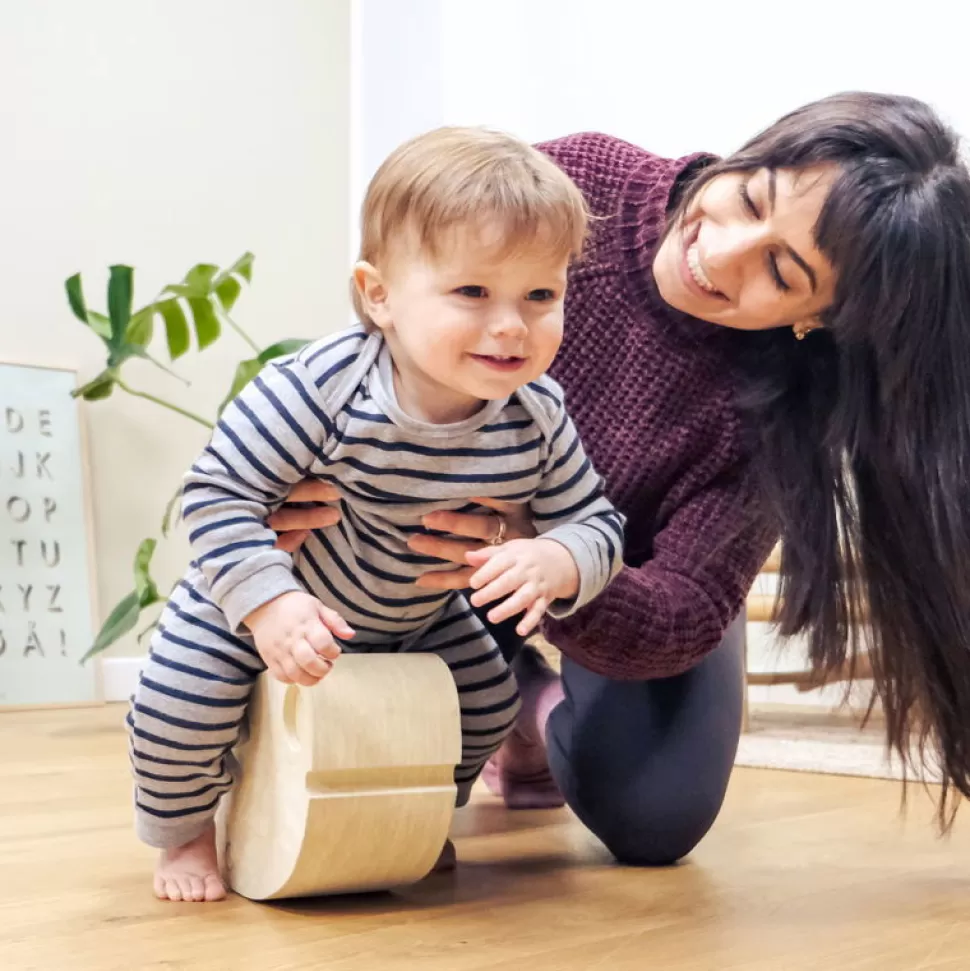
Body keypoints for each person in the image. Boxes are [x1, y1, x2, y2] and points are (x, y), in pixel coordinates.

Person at [271, 91, 970, 864]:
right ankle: (498, 687)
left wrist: (550, 558)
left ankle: (530, 715)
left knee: (656, 814)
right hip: (430, 544)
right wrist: (304, 490)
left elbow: (682, 610)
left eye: (779, 269)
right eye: (746, 197)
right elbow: (395, 320)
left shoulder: (775, 416)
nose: (720, 250)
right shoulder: (576, 187)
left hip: (612, 577)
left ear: (821, 319)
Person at [127, 126, 627, 902]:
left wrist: (558, 558)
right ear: (379, 294)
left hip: (416, 617)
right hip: (263, 604)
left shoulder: (537, 414)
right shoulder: (320, 389)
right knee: (178, 703)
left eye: (540, 295)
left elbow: (595, 521)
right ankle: (184, 830)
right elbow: (219, 493)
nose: (511, 325)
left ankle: (419, 818)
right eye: (472, 292)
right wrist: (269, 602)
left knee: (489, 700)